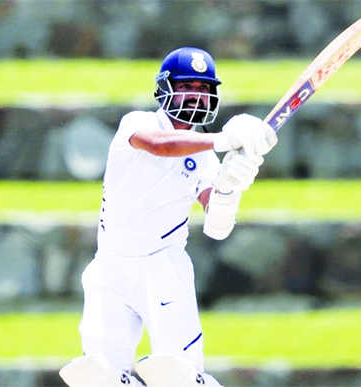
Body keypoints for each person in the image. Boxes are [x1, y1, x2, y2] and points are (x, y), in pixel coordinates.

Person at [59, 47, 277, 387]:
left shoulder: (205, 157)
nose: (196, 96)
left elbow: (218, 227)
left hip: (163, 268)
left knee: (177, 373)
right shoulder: (138, 123)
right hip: (110, 267)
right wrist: (221, 140)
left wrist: (231, 184)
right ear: (165, 88)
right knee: (99, 375)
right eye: (189, 86)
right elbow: (161, 145)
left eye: (204, 89)